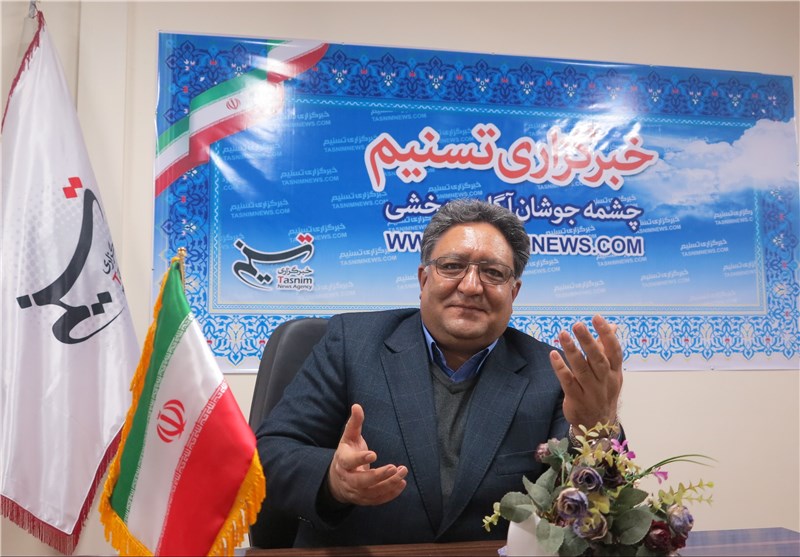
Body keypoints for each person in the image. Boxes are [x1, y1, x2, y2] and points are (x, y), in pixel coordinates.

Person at [256, 198, 622, 547]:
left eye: (493, 273)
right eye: (452, 266)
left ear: (514, 292)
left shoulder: (553, 375)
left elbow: (597, 511)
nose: (471, 286)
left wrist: (597, 428)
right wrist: (334, 481)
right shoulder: (351, 344)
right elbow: (269, 455)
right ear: (423, 279)